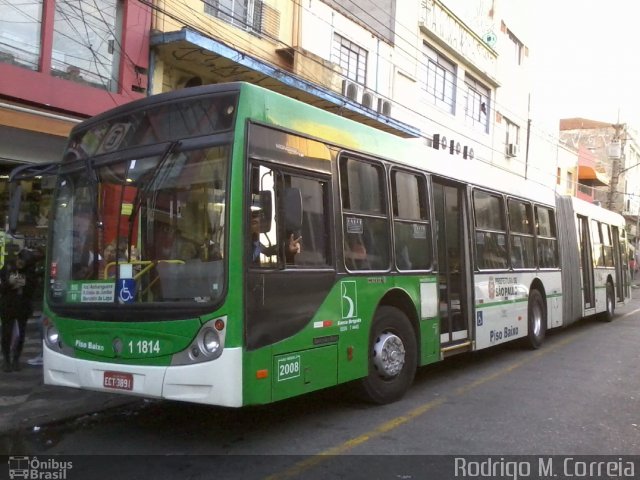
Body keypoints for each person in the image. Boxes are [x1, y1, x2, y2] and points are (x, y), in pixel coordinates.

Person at [1, 249, 37, 372]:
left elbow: (33, 287)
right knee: (6, 333)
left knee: (21, 333)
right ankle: (6, 360)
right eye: (20, 261)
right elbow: (2, 285)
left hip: (22, 306)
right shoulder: (8, 266)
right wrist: (9, 283)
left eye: (24, 263)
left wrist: (24, 283)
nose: (21, 264)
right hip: (8, 305)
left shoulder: (30, 269)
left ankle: (16, 359)